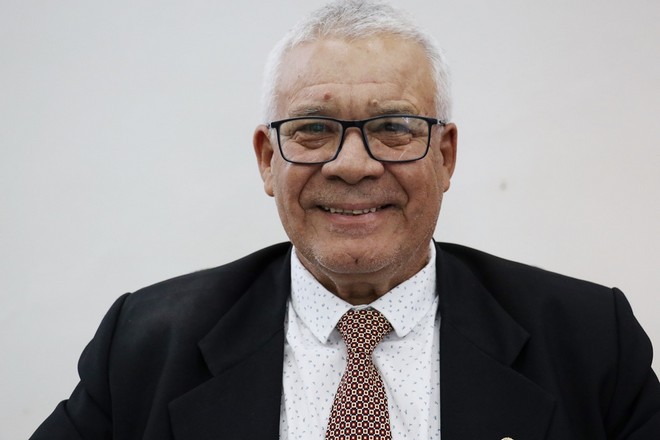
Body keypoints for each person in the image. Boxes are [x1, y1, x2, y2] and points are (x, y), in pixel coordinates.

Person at [30, 0, 660, 439]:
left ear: (445, 157)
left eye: (393, 128)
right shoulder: (143, 346)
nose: (352, 165)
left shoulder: (589, 342)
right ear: (267, 160)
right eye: (313, 129)